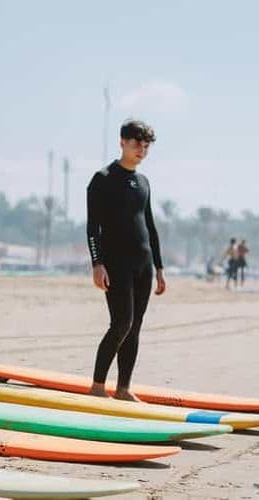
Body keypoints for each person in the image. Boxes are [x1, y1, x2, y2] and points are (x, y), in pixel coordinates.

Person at [86, 119, 166, 402]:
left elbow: (150, 226)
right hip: (115, 264)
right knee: (121, 323)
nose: (141, 150)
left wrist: (159, 267)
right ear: (122, 142)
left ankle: (123, 388)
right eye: (136, 144)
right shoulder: (103, 178)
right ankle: (97, 386)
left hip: (143, 265)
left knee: (135, 326)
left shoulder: (143, 182)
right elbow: (93, 227)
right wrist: (97, 264)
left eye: (146, 146)